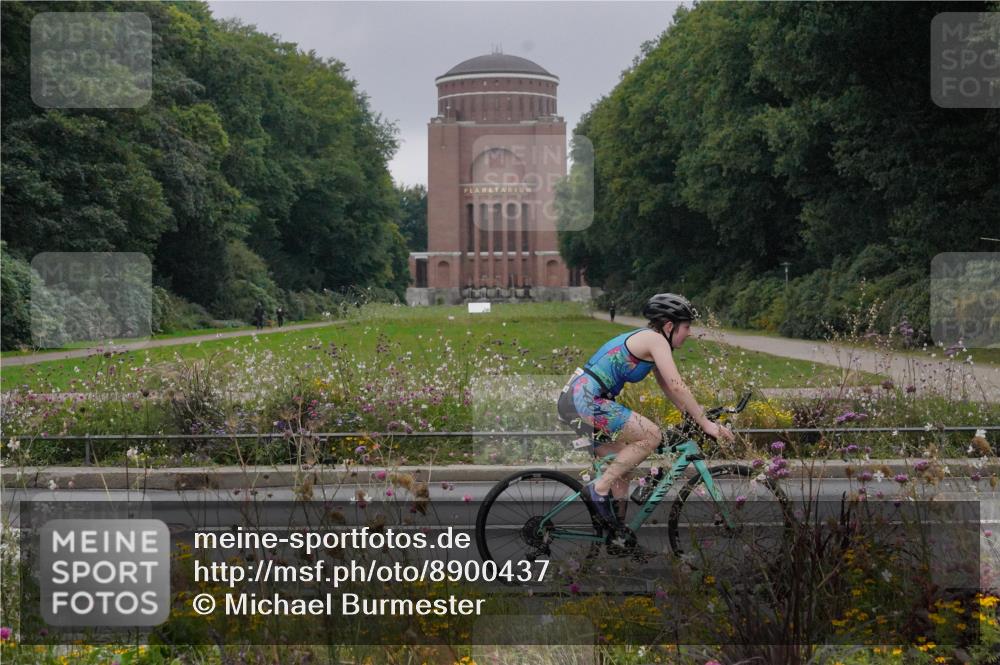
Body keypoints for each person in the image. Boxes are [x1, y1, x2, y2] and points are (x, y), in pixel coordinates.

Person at [557, 293, 735, 526]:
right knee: (652, 435)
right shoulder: (655, 340)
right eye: (686, 327)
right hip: (586, 400)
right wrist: (706, 424)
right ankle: (598, 490)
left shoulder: (651, 342)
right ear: (670, 326)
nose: (689, 333)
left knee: (623, 465)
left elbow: (668, 389)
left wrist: (695, 416)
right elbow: (677, 385)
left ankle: (618, 535)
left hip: (573, 401)